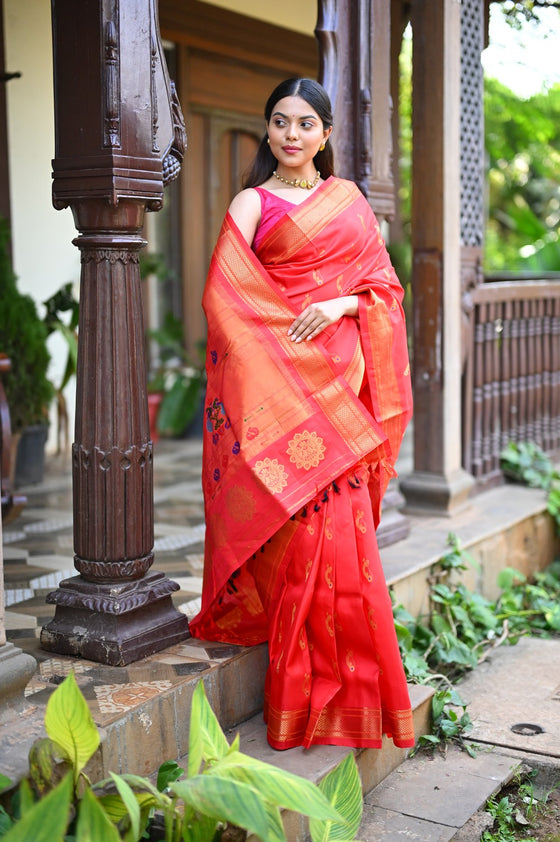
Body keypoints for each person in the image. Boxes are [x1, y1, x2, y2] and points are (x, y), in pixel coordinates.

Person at [189, 77, 414, 752]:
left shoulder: (348, 202)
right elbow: (224, 302)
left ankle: (356, 693)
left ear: (326, 134)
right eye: (281, 122)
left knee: (341, 531)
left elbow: (384, 290)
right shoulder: (252, 204)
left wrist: (344, 306)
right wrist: (277, 367)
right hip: (277, 386)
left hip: (340, 375)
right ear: (267, 131)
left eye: (306, 123)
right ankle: (300, 697)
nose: (292, 134)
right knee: (302, 536)